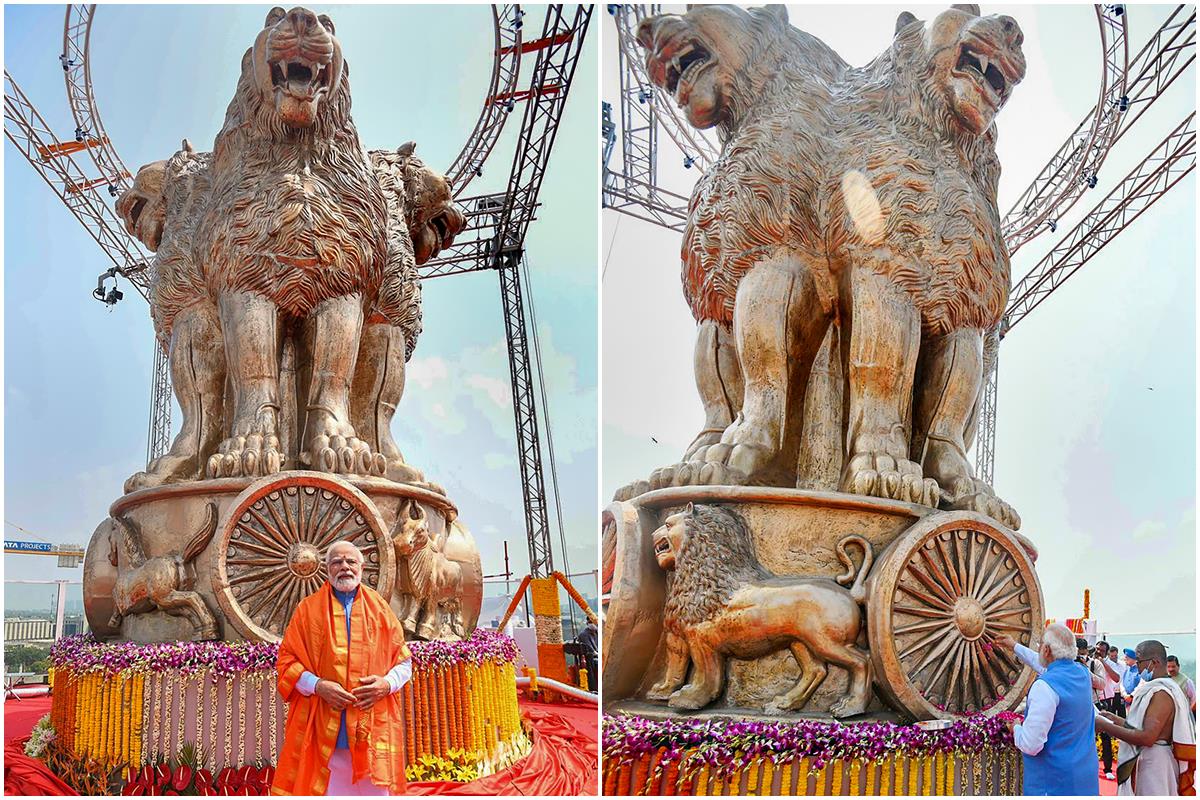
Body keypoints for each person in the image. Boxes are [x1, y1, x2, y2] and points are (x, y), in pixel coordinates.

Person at [271, 541, 413, 796]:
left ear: (362, 567)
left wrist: (386, 684)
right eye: (337, 562)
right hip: (323, 726)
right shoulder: (307, 610)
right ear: (327, 569)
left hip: (371, 725)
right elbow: (287, 662)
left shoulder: (380, 609)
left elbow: (404, 662)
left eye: (351, 561)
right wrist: (318, 686)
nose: (344, 567)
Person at [995, 625, 1100, 795]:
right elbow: (1046, 665)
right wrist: (1014, 646)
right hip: (1084, 777)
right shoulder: (1082, 674)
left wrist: (1016, 728)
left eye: (1041, 645)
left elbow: (1031, 745)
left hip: (1054, 783)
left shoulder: (1044, 686)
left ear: (1046, 650)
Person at [1097, 640, 1197, 795]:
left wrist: (1104, 725)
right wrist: (1113, 719)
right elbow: (1139, 727)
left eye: (1139, 662)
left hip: (1156, 765)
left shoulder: (1161, 693)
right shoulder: (1158, 688)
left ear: (1154, 662)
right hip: (1150, 760)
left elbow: (1147, 737)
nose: (1138, 668)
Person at [1094, 641, 1124, 779]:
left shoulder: (1110, 664)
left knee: (1106, 734)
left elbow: (1117, 678)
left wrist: (1103, 663)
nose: (1098, 652)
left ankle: (1108, 768)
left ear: (1106, 652)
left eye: (1101, 650)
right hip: (1092, 699)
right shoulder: (1090, 661)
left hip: (1106, 701)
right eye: (1097, 649)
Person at [574, 618, 599, 692]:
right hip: (590, 658)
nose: (593, 624)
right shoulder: (584, 635)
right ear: (587, 623)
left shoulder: (597, 633)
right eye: (590, 622)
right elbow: (590, 649)